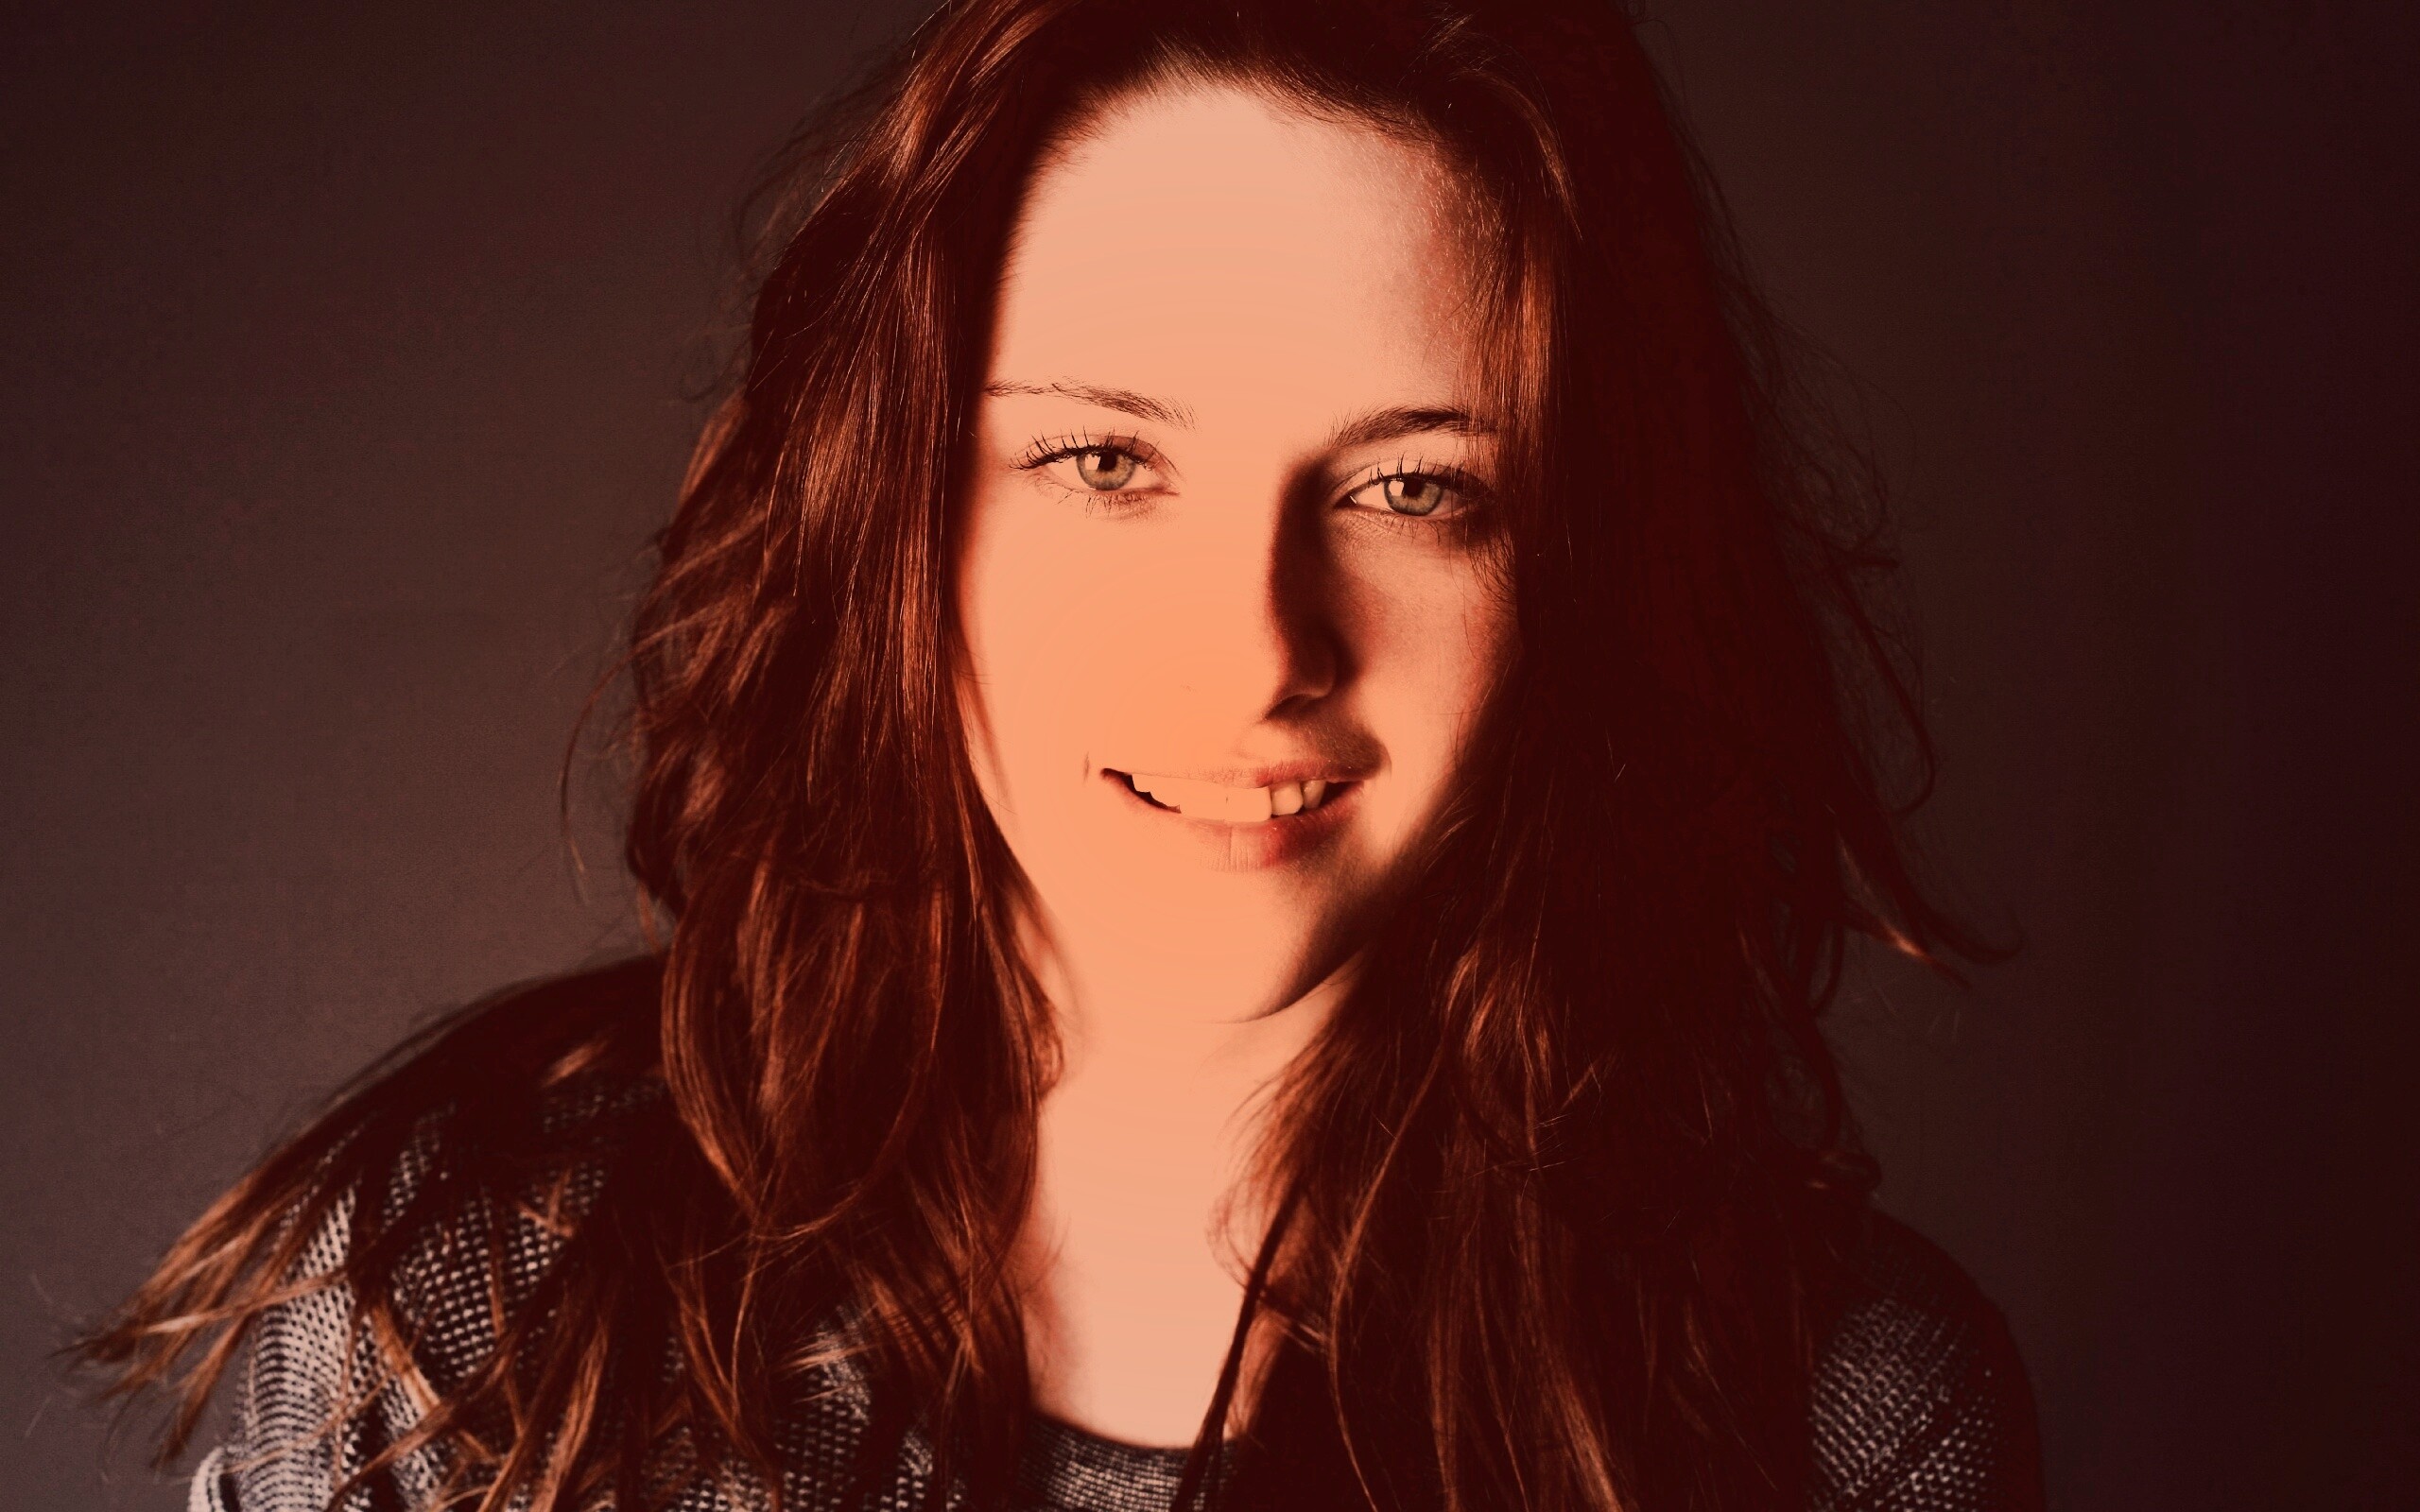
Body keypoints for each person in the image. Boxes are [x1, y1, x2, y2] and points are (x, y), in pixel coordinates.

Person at [80, 2, 2044, 1508]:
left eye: (1410, 486)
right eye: (1105, 460)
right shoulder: (474, 1309)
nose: (1256, 647)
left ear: (1580, 571)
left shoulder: (1829, 1420)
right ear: (899, 517)